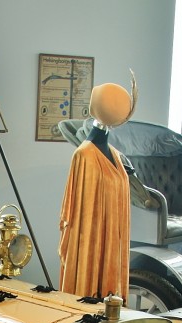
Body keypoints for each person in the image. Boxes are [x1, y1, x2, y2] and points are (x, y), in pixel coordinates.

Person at [58, 78, 137, 299]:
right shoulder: (85, 156)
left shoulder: (115, 156)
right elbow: (81, 222)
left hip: (113, 246)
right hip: (90, 250)